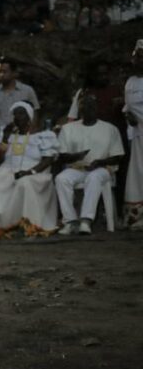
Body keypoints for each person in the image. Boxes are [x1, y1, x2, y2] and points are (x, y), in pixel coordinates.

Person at [0, 102, 58, 239]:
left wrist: (30, 172)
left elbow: (48, 160)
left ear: (29, 116)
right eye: (15, 114)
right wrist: (5, 138)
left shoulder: (42, 136)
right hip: (9, 169)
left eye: (21, 113)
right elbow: (0, 160)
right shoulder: (10, 136)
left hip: (36, 172)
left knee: (24, 183)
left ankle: (28, 226)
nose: (17, 117)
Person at [55, 95, 124, 235]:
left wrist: (100, 162)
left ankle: (85, 221)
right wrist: (76, 156)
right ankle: (70, 221)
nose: (88, 109)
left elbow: (118, 156)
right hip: (77, 168)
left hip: (103, 169)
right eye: (84, 106)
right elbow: (62, 156)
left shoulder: (109, 129)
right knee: (61, 179)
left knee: (94, 177)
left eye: (91, 106)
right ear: (80, 110)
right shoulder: (68, 128)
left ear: (96, 108)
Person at [0, 58, 40, 135]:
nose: (1, 75)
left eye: (4, 72)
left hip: (21, 135)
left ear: (14, 73)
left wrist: (31, 131)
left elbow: (35, 112)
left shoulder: (27, 90)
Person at [125, 40, 143, 230]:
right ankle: (137, 218)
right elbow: (128, 106)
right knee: (138, 176)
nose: (137, 60)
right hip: (137, 136)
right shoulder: (130, 81)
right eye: (136, 56)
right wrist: (128, 115)